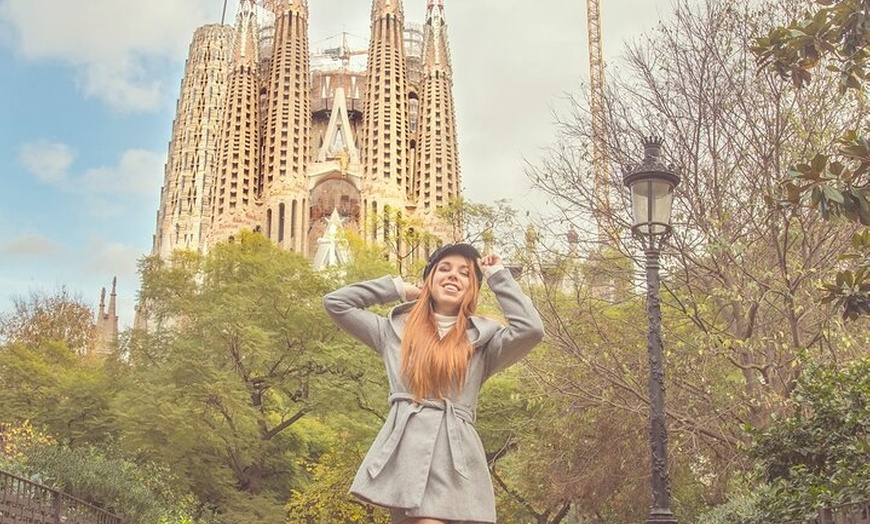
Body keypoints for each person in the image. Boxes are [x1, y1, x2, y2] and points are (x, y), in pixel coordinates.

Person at [323, 243, 545, 524]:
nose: (454, 276)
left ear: (472, 288)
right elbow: (336, 303)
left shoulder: (483, 341)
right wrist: (397, 289)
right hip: (409, 455)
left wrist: (497, 275)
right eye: (444, 269)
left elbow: (531, 329)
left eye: (465, 273)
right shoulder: (392, 332)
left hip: (458, 457)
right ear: (430, 279)